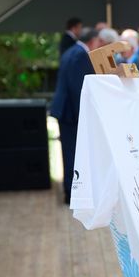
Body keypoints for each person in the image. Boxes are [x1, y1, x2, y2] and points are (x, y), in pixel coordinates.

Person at [51, 27, 102, 204]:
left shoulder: (73, 50)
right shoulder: (80, 54)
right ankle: (71, 194)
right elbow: (77, 88)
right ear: (93, 41)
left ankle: (71, 192)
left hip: (66, 110)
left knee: (70, 152)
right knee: (72, 154)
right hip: (70, 113)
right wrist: (85, 116)